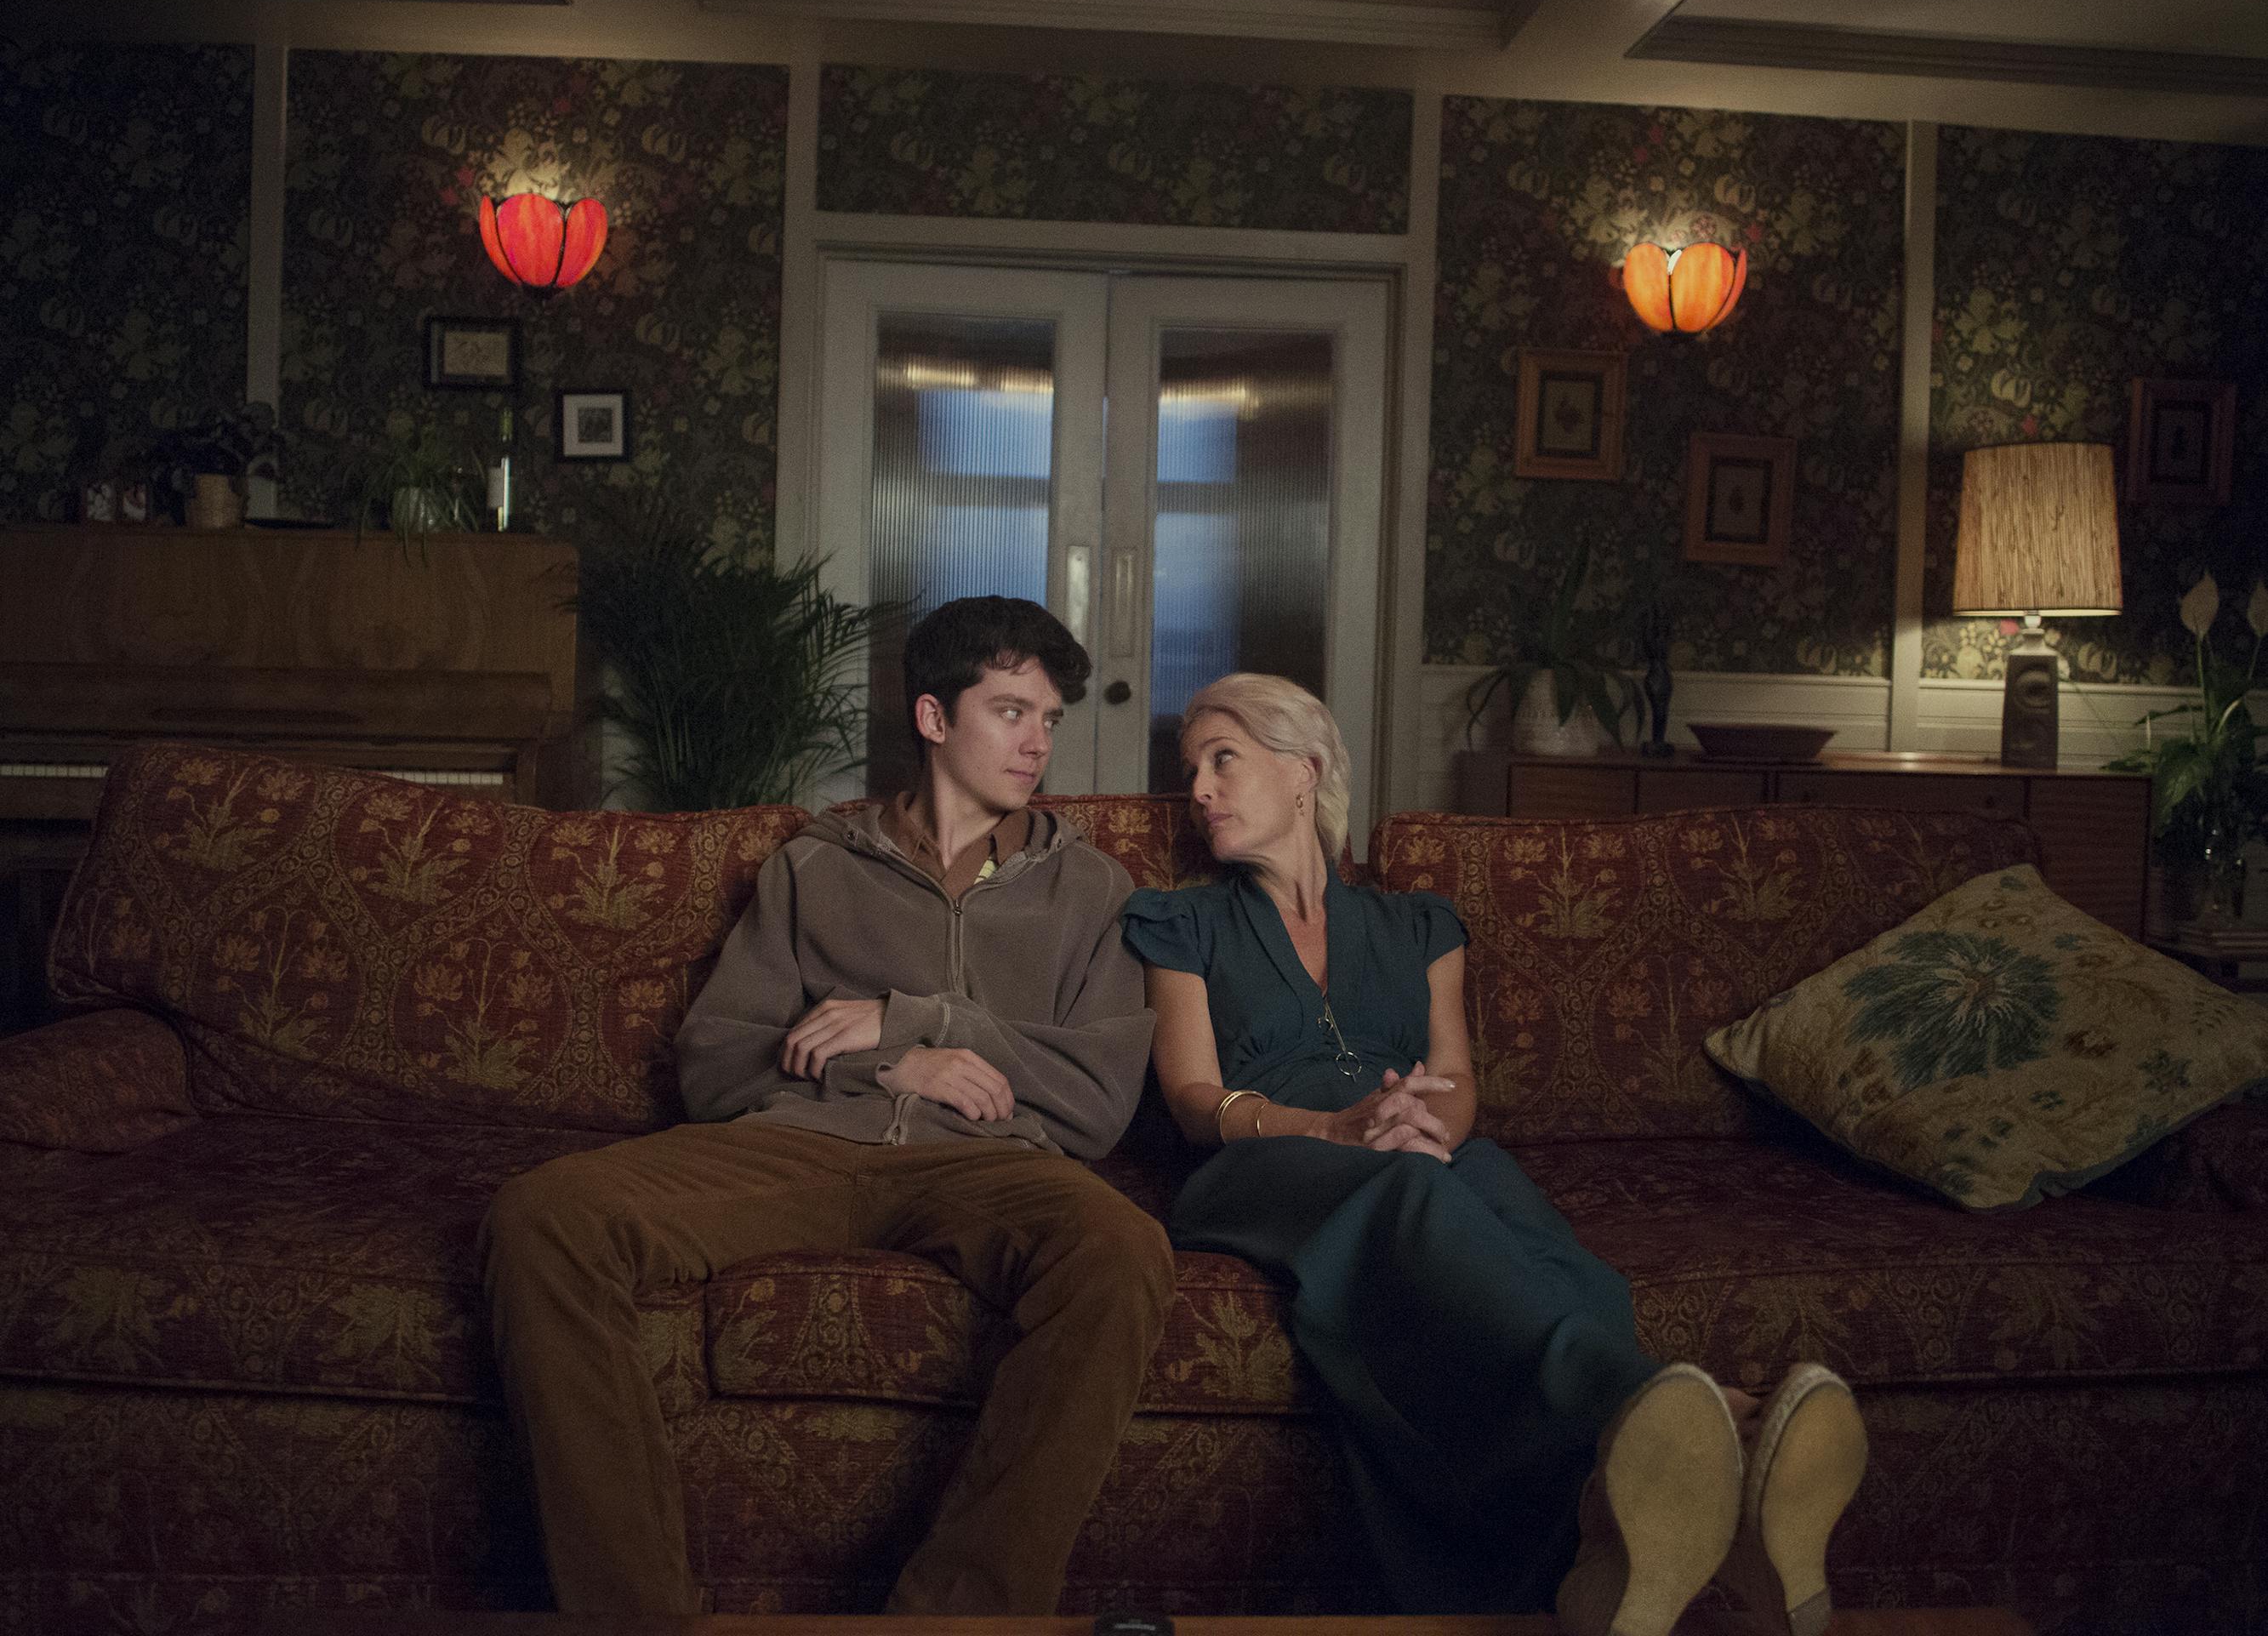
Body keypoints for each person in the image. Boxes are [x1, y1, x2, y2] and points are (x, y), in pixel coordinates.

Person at [1121, 671, 1867, 1636]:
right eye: (1191, 771)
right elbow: (1189, 1099)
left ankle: (1618, 1528)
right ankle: (1683, 1409)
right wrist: (1334, 1127)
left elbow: (1456, 1076)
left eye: (1222, 760)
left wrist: (1430, 1128)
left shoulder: (1418, 922)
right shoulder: (1179, 921)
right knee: (1407, 1192)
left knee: (1527, 1226)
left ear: (1303, 771)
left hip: (1405, 1143)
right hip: (1258, 1164)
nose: (1199, 791)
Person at [481, 596, 1170, 1617]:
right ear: (934, 719)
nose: (1038, 741)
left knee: (1124, 1250)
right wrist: (885, 1071)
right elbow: (713, 1065)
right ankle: (634, 1617)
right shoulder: (815, 862)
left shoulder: (1091, 888)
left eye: (1049, 718)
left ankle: (953, 1620)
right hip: (801, 1142)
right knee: (543, 1217)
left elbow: (1099, 1101)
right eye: (1012, 710)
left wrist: (922, 1026)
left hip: (990, 1160)